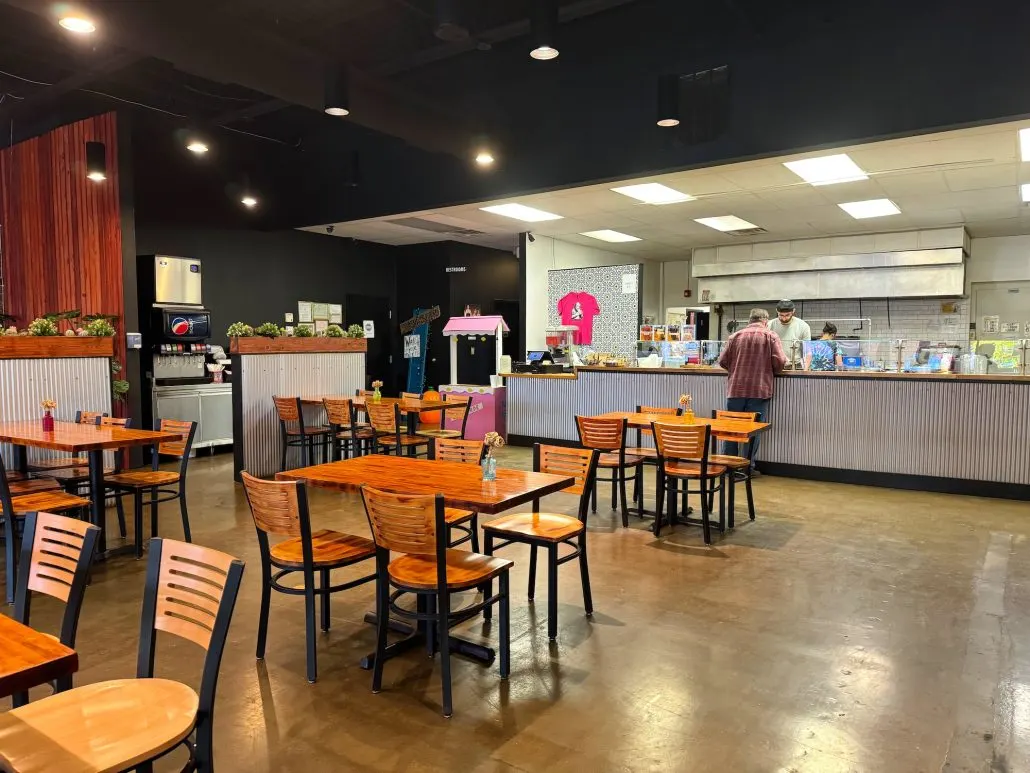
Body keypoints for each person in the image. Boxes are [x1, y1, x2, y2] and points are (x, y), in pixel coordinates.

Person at [718, 308, 786, 472]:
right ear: (765, 320)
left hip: (736, 390)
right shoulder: (770, 336)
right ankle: (747, 467)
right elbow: (780, 362)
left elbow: (722, 361)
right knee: (753, 430)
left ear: (750, 320)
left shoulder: (735, 336)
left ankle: (728, 465)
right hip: (759, 390)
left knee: (731, 428)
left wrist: (736, 370)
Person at [767, 300, 811, 368]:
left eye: (787, 315)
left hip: (796, 365)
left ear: (793, 311)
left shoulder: (803, 326)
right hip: (774, 365)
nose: (784, 318)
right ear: (777, 311)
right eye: (781, 315)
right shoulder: (769, 325)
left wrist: (806, 369)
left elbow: (807, 350)